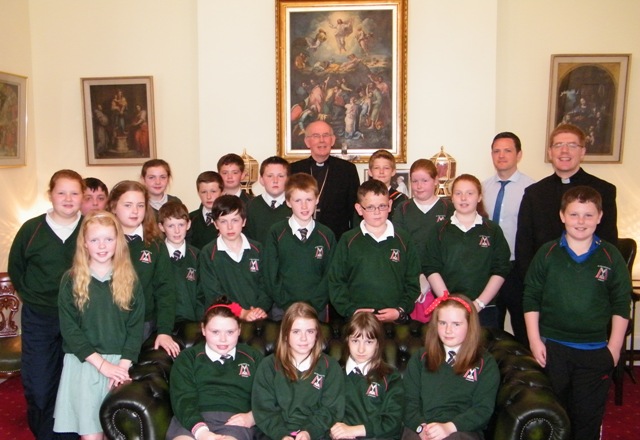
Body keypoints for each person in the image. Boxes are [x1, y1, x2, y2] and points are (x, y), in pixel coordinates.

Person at [523, 186, 631, 440]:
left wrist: (614, 348)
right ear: (562, 216)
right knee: (556, 417)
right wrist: (534, 340)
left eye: (588, 215)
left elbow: (620, 303)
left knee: (587, 418)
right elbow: (531, 297)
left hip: (595, 352)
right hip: (553, 349)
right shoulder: (547, 253)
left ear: (600, 217)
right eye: (574, 214)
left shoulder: (611, 256)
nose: (581, 221)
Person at [8, 169, 85, 440]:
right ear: (50, 194)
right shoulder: (32, 229)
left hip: (79, 318)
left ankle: (72, 433)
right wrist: (31, 297)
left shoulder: (90, 229)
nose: (68, 198)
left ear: (82, 197)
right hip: (40, 317)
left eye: (74, 193)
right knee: (40, 382)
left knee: (75, 382)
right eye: (61, 192)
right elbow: (16, 268)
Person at [53, 211, 145, 439]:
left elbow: (135, 327)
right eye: (94, 240)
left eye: (108, 239)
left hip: (120, 365)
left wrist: (122, 367)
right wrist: (102, 365)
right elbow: (70, 330)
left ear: (118, 242)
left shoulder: (130, 279)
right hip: (85, 364)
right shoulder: (71, 279)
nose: (102, 246)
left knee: (116, 433)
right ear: (84, 243)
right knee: (91, 435)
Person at [516, 123, 618, 283]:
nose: (564, 151)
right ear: (550, 153)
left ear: (582, 152)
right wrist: (533, 283)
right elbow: (524, 245)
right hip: (545, 280)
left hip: (589, 280)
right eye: (558, 145)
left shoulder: (603, 190)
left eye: (572, 145)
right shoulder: (534, 193)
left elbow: (608, 241)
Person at [403, 294, 500, 440]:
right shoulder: (420, 358)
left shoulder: (484, 363)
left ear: (470, 326)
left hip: (462, 430)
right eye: (442, 323)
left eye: (456, 324)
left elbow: (482, 409)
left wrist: (449, 427)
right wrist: (420, 427)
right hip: (421, 429)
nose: (448, 330)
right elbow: (408, 402)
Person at [166, 298, 264, 440]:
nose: (223, 339)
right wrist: (201, 432)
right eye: (215, 332)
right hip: (191, 420)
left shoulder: (253, 357)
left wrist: (252, 417)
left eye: (230, 332)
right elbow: (182, 398)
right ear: (203, 329)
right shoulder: (188, 358)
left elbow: (270, 393)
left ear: (239, 330)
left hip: (235, 422)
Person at [424, 174, 511, 328]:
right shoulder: (439, 230)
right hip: (448, 309)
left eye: (470, 193)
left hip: (485, 309)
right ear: (452, 197)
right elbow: (431, 267)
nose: (463, 198)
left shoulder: (493, 230)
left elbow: (501, 269)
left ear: (479, 197)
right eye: (458, 193)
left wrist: (479, 304)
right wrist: (449, 302)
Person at [329, 179, 421, 323]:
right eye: (370, 207)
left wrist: (400, 310)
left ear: (390, 205)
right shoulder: (348, 240)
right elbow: (336, 281)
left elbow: (413, 282)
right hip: (358, 322)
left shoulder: (404, 239)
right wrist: (351, 310)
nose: (377, 212)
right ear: (359, 209)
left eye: (382, 206)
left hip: (395, 321)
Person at [252, 302, 345, 440]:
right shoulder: (269, 366)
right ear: (285, 334)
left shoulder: (330, 367)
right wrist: (282, 435)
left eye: (310, 331)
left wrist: (309, 432)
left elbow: (331, 410)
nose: (303, 338)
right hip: (275, 435)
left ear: (317, 334)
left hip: (316, 435)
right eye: (296, 332)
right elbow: (264, 410)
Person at [107, 181, 179, 357]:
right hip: (107, 322)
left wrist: (164, 331)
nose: (135, 211)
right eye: (128, 205)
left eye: (140, 205)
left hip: (143, 324)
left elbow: (165, 290)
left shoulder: (155, 244)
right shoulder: (102, 240)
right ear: (114, 207)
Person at [481, 132, 535, 345]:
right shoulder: (482, 189)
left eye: (507, 150)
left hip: (516, 269)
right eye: (496, 151)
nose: (501, 155)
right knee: (490, 327)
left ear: (519, 154)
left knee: (522, 325)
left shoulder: (532, 190)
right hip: (488, 268)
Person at [263, 173, 336, 321]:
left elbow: (331, 274)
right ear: (288, 202)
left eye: (309, 199)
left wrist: (315, 305)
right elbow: (271, 273)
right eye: (298, 200)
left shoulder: (326, 235)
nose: (304, 206)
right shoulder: (276, 232)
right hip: (282, 308)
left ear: (317, 199)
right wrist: (286, 304)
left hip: (316, 309)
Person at [393, 159, 454, 323]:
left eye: (425, 181)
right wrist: (416, 276)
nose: (419, 186)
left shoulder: (448, 208)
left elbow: (451, 246)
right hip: (410, 279)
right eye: (415, 181)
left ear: (435, 180)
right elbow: (399, 244)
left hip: (441, 279)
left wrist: (431, 277)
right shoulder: (403, 208)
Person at [331, 312, 404, 440]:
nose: (361, 349)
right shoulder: (334, 373)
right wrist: (334, 431)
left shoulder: (391, 377)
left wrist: (355, 430)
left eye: (369, 342)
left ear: (378, 344)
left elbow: (394, 421)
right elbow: (325, 413)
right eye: (355, 341)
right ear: (347, 341)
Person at [198, 195, 271, 321]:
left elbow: (266, 285)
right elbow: (213, 294)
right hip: (224, 320)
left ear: (244, 221)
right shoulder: (208, 253)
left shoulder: (258, 249)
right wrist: (241, 313)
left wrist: (259, 308)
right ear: (215, 224)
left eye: (235, 220)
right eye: (223, 221)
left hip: (257, 317)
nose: (230, 227)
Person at [290, 120, 360, 240]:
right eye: (316, 136)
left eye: (326, 135)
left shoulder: (347, 169)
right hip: (300, 237)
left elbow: (354, 210)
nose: (321, 140)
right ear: (307, 142)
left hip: (337, 238)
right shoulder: (294, 169)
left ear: (332, 140)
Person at [158, 201, 201, 324]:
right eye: (171, 226)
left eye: (181, 225)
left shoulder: (197, 256)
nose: (177, 231)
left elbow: (202, 294)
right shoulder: (156, 255)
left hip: (192, 322)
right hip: (161, 324)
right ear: (161, 227)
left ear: (188, 224)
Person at [245, 156, 292, 244]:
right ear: (261, 180)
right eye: (270, 176)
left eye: (280, 176)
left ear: (288, 180)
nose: (275, 180)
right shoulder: (251, 206)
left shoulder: (295, 205)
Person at [187, 171, 224, 250]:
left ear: (221, 192)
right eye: (204, 192)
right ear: (198, 193)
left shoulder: (229, 219)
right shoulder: (190, 218)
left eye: (213, 191)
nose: (208, 196)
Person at [367, 150, 408, 220]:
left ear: (393, 172)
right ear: (370, 172)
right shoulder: (364, 198)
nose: (381, 172)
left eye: (386, 168)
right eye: (377, 168)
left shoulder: (401, 199)